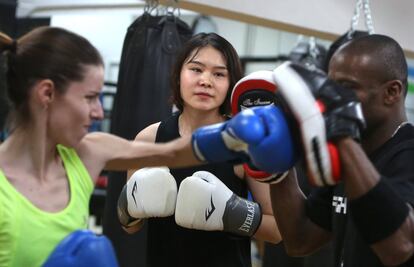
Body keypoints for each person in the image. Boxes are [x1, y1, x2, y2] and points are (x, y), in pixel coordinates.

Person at [0, 27, 294, 267]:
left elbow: (173, 153)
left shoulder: (92, 151)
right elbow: (134, 216)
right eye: (90, 97)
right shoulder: (141, 138)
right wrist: (132, 203)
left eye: (218, 73)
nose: (100, 112)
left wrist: (234, 202)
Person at [118, 33, 287, 267]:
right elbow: (130, 227)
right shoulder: (148, 140)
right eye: (196, 69)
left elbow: (278, 229)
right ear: (178, 76)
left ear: (231, 83)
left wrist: (232, 213)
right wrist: (128, 205)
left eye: (219, 73)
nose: (206, 81)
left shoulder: (245, 143)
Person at [269, 34, 414, 266]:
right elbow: (300, 240)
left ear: (392, 92)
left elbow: (399, 246)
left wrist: (340, 134)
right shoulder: (350, 154)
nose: (331, 99)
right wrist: (277, 168)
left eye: (347, 88)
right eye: (329, 87)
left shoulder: (406, 154)